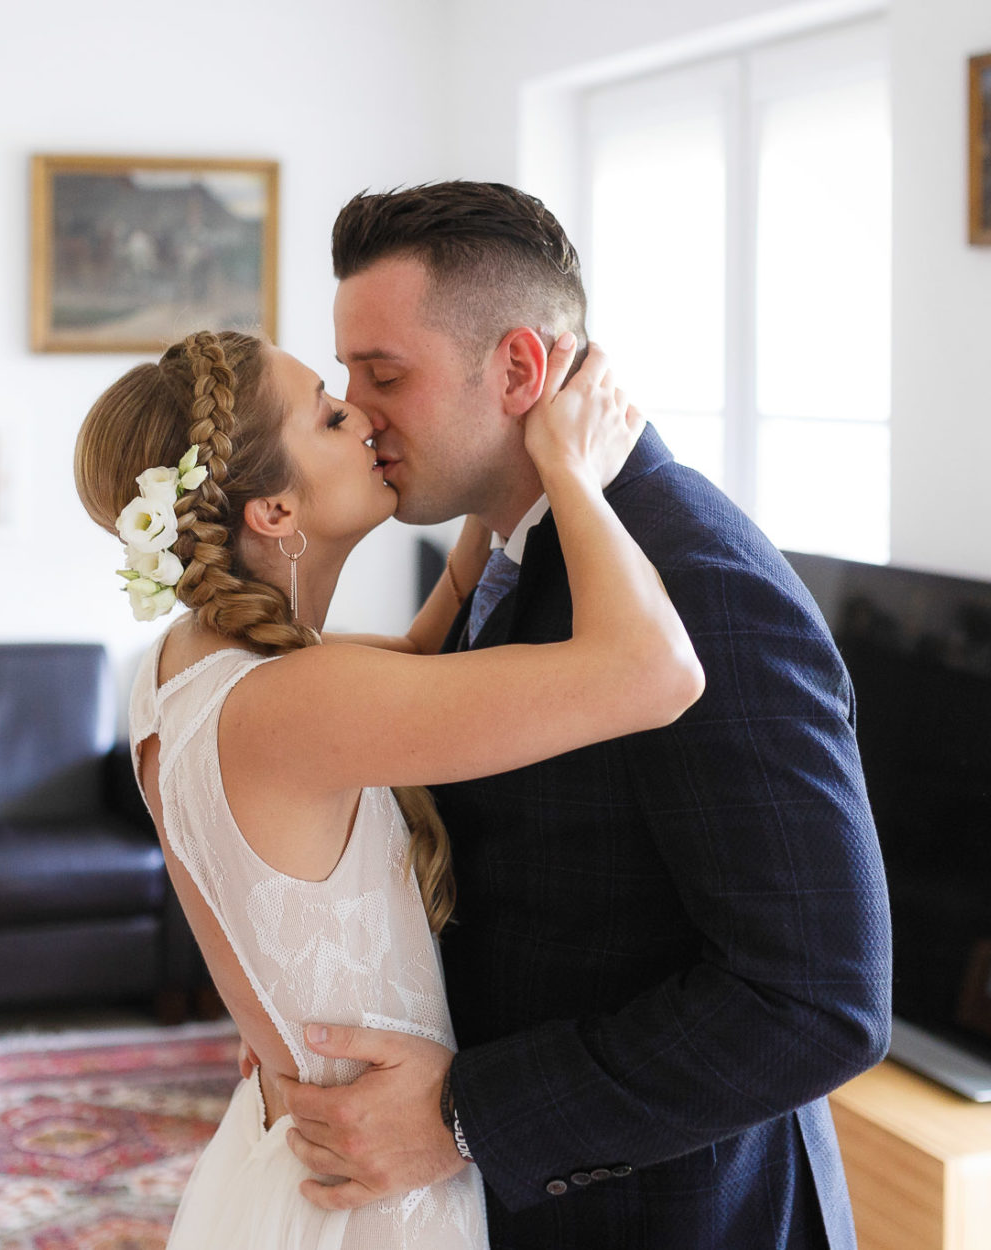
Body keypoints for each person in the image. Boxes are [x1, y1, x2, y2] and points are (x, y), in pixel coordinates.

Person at [275, 181, 894, 1249]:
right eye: (346, 378)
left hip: (675, 1219)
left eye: (386, 375)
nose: (360, 412)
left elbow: (817, 1001)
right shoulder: (509, 544)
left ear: (519, 370)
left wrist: (462, 1116)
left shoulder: (698, 584)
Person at [74, 325, 703, 1249]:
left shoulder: (186, 663)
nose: (363, 416)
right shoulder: (298, 704)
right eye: (330, 417)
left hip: (297, 1157)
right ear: (274, 511)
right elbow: (655, 672)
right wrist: (570, 470)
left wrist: (492, 476)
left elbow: (415, 653)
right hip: (374, 1191)